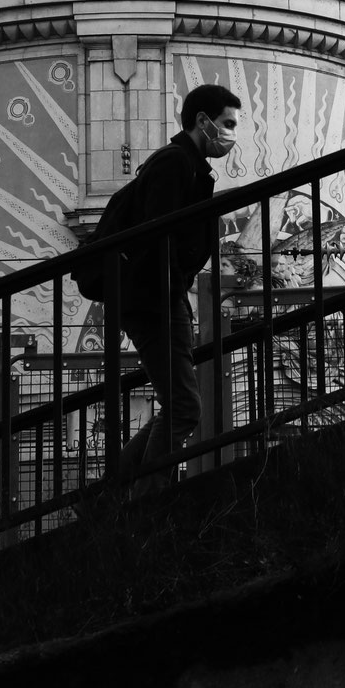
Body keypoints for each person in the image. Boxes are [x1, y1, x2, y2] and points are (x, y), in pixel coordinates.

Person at [115, 84, 241, 493]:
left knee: (178, 406)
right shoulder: (175, 164)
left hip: (160, 299)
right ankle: (144, 503)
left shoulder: (186, 165)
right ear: (203, 122)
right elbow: (158, 237)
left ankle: (108, 496)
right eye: (227, 124)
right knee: (185, 407)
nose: (231, 134)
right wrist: (172, 296)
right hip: (155, 301)